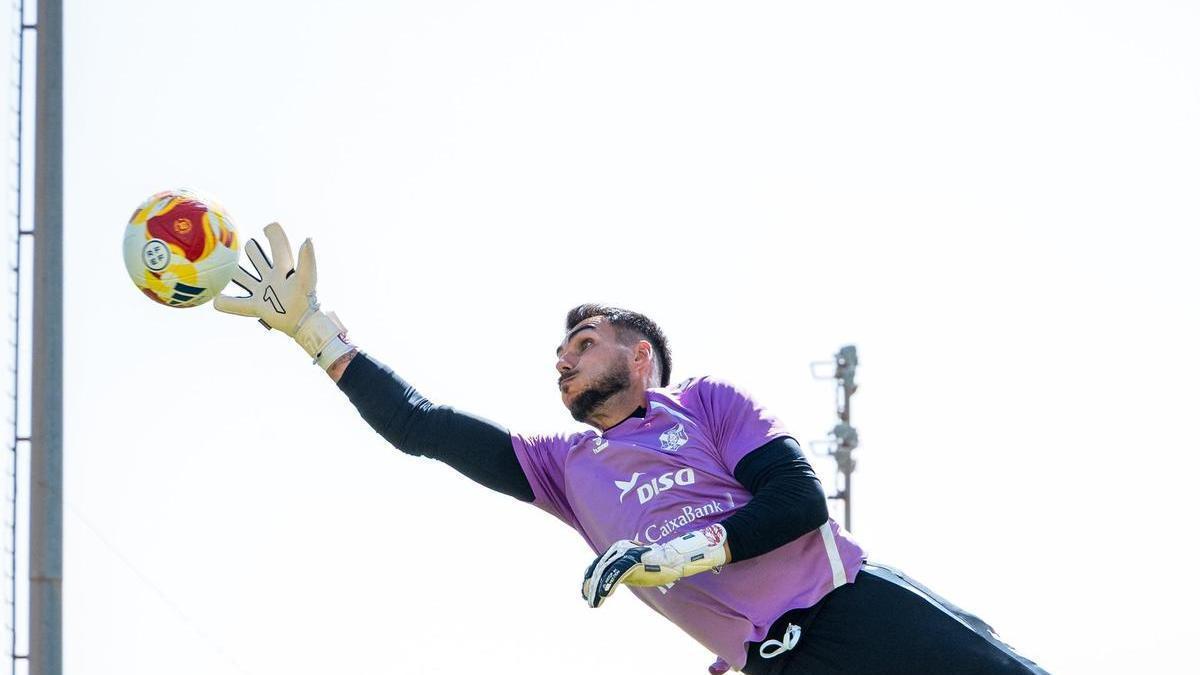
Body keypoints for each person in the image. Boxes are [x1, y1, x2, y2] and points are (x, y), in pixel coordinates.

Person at [214, 222, 1048, 674]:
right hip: (777, 667)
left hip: (857, 608)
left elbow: (799, 503)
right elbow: (422, 425)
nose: (564, 358)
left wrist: (678, 552)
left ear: (637, 355)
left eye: (583, 340)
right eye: (560, 354)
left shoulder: (710, 403)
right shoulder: (561, 468)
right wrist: (316, 336)